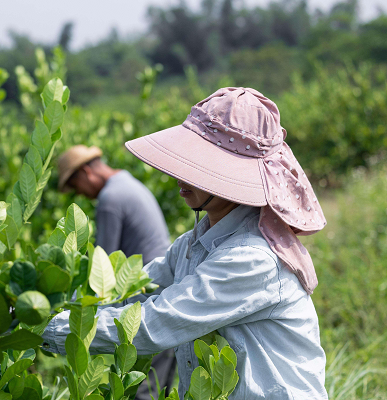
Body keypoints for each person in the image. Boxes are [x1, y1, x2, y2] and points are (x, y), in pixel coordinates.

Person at [43, 87, 329, 399]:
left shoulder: (251, 257)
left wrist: (44, 330)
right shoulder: (194, 243)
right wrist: (39, 306)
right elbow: (129, 291)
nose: (179, 174)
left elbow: (155, 322)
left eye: (197, 162)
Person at [57, 145, 177, 399]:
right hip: (167, 290)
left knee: (142, 389)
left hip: (146, 298)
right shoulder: (127, 182)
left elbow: (104, 267)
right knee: (160, 387)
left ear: (86, 173)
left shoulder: (110, 199)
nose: (81, 195)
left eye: (77, 187)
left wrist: (71, 306)